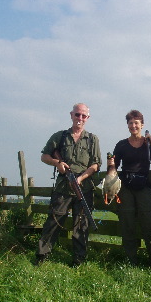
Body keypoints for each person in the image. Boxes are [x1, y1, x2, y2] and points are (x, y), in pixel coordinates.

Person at [36, 103, 102, 266]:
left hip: (83, 187)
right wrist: (57, 163)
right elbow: (44, 156)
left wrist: (81, 178)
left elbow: (96, 165)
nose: (80, 118)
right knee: (54, 220)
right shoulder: (60, 136)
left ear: (88, 118)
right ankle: (41, 256)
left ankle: (78, 260)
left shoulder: (92, 139)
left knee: (81, 224)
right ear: (71, 115)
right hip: (63, 186)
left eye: (83, 116)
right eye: (77, 115)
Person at [111, 110, 151, 265]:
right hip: (125, 188)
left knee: (149, 223)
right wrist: (110, 173)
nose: (133, 125)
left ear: (142, 125)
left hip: (143, 186)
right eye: (130, 123)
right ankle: (131, 260)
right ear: (128, 125)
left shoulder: (148, 144)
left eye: (136, 122)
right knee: (127, 222)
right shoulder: (121, 145)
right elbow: (113, 168)